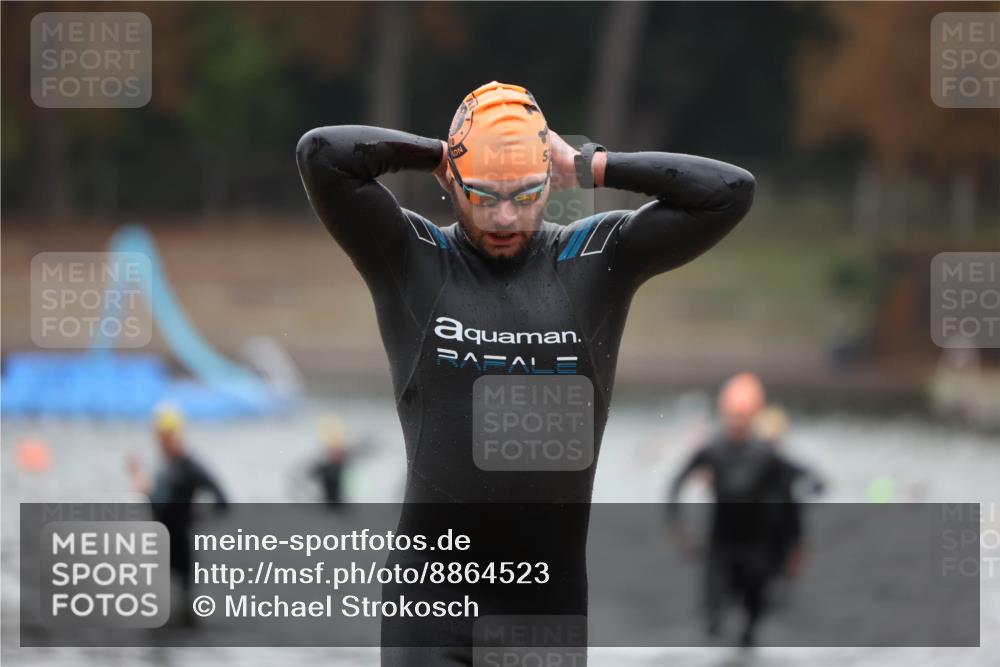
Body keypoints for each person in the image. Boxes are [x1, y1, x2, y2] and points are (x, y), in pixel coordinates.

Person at [297, 80, 756, 665]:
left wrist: (593, 165)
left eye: (526, 193)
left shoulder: (596, 261)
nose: (505, 217)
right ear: (454, 183)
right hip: (431, 608)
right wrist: (439, 152)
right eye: (485, 196)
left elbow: (729, 192)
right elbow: (322, 155)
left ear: (550, 180)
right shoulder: (412, 258)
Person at [127, 402, 228, 626]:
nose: (156, 441)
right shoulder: (179, 465)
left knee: (174, 614)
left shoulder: (181, 468)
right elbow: (221, 502)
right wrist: (195, 516)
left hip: (175, 546)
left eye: (160, 436)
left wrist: (140, 483)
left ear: (168, 436)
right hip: (172, 544)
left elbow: (161, 507)